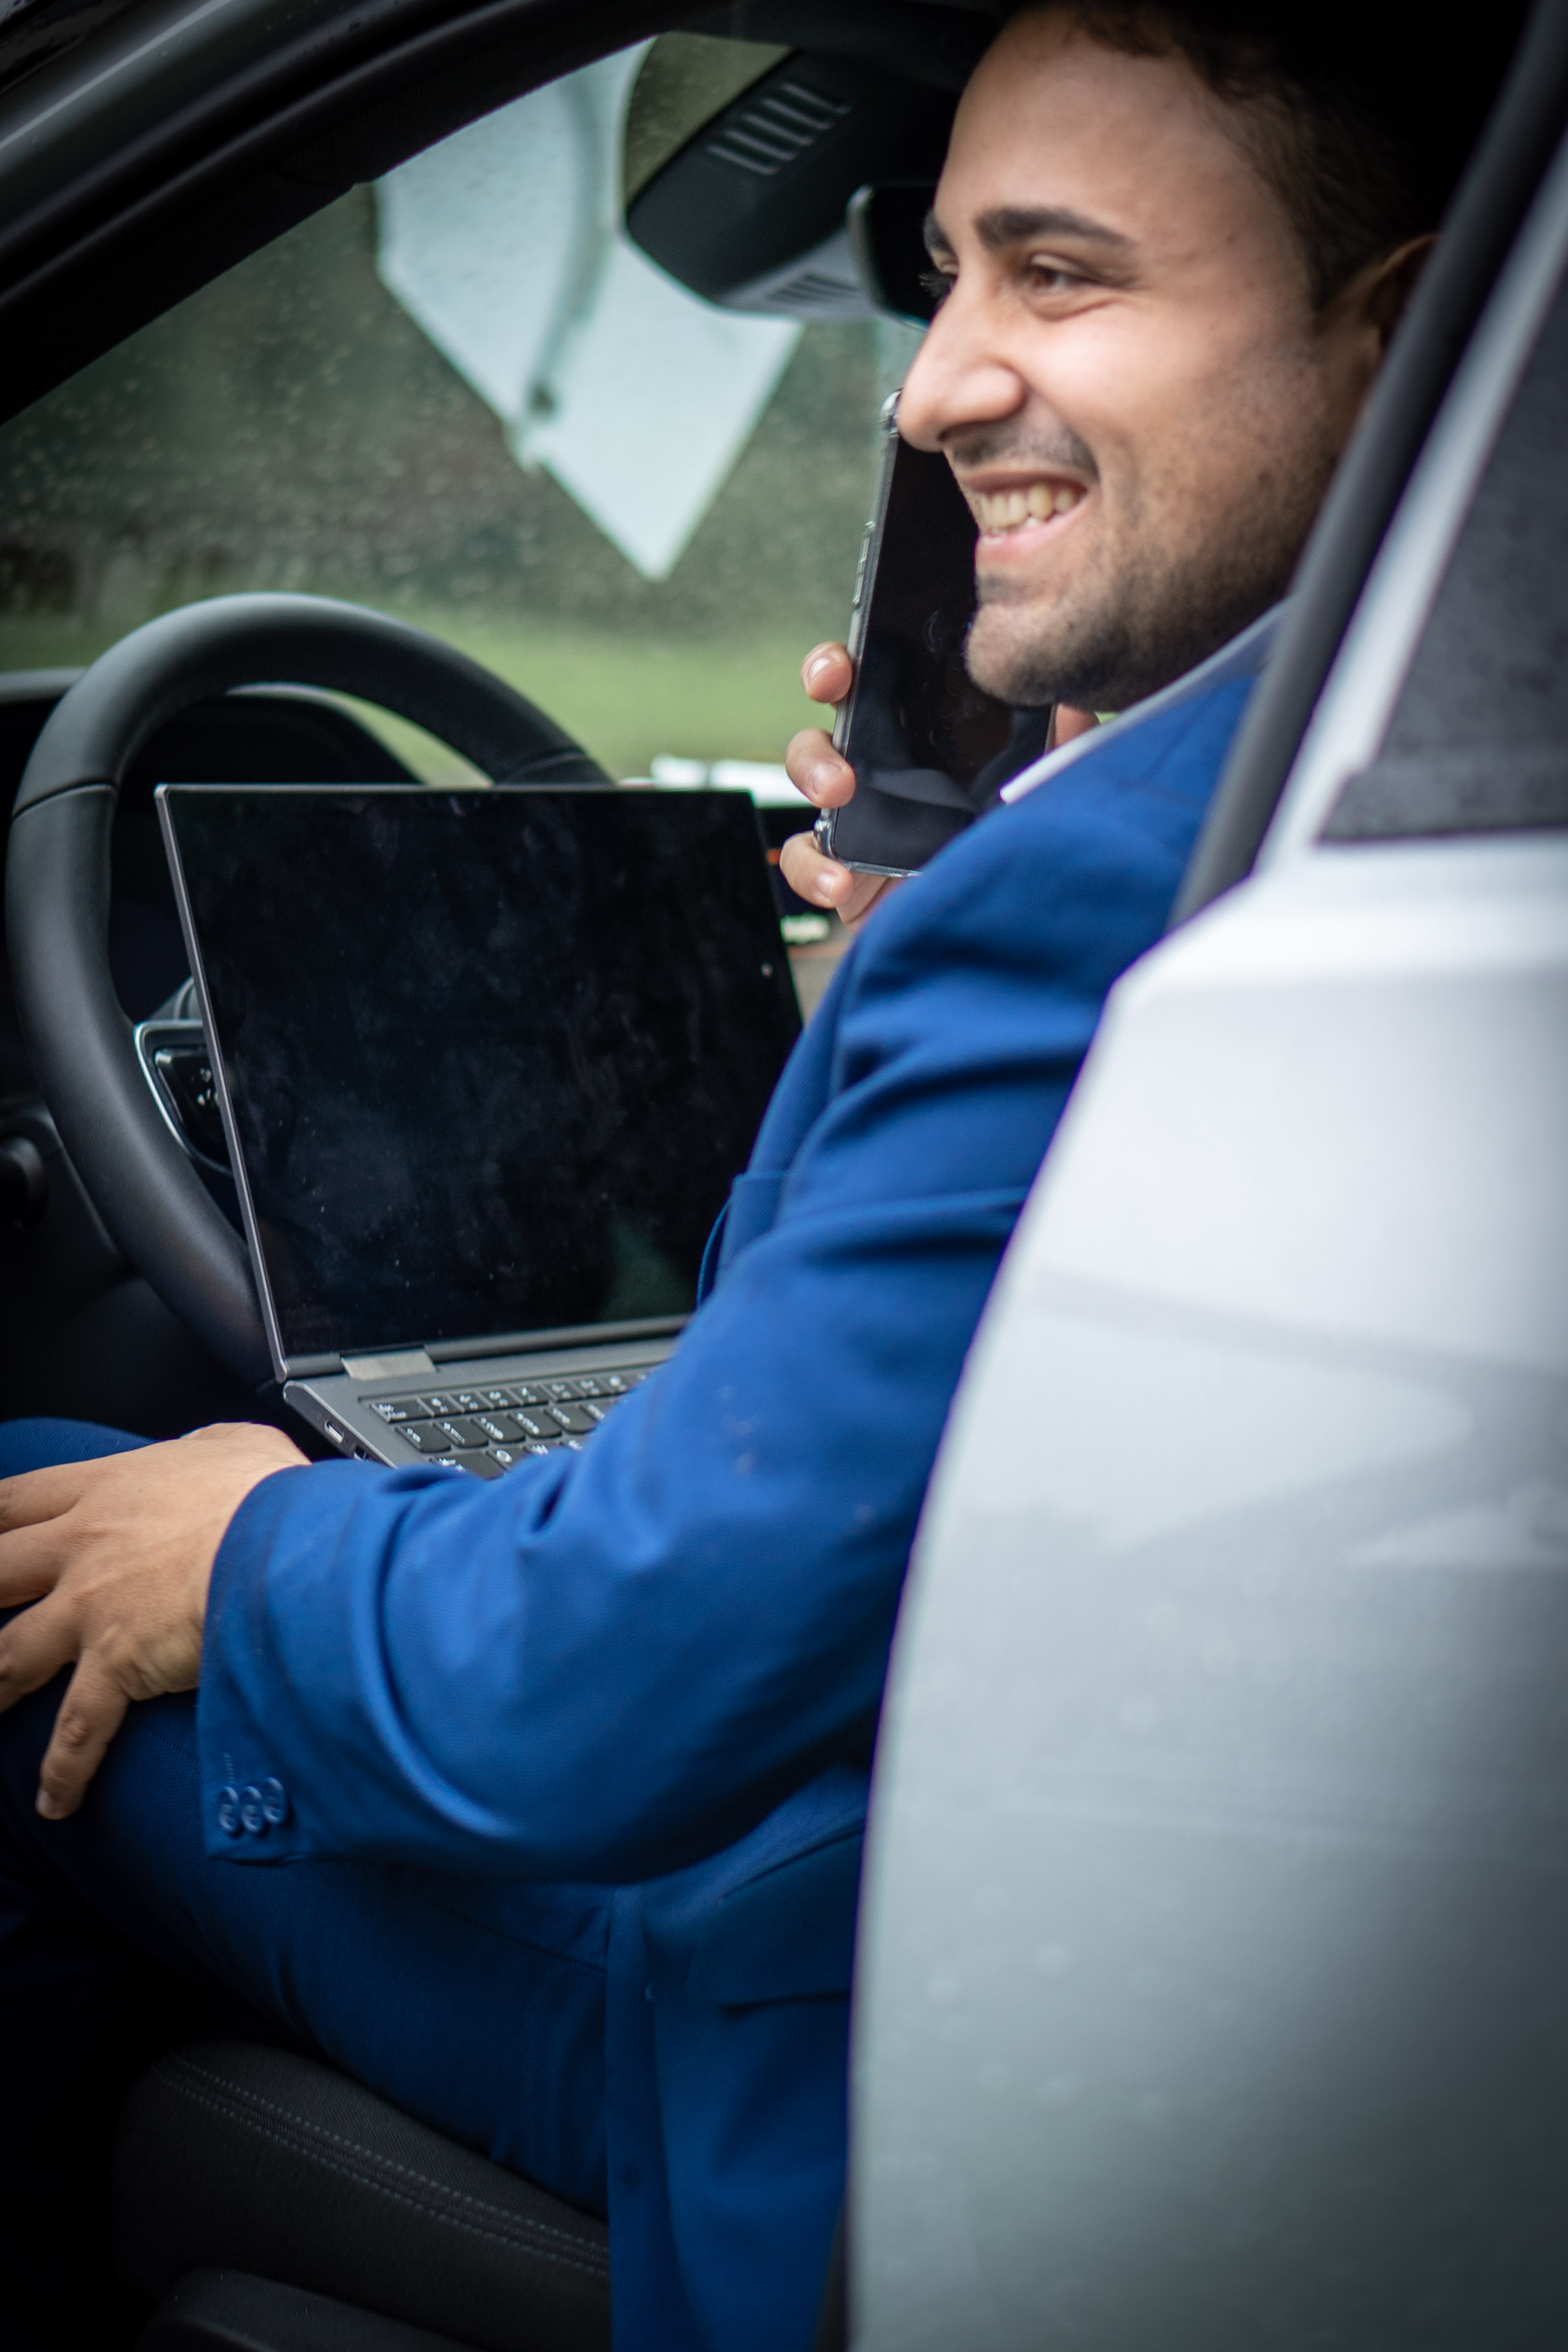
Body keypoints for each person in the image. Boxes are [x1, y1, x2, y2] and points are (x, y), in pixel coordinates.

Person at [0, 7, 1524, 2349]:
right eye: (943, 275)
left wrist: (250, 1543)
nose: (930, 391)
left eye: (1058, 275)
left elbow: (593, 1695)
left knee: (40, 1517)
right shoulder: (1304, 816)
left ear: (1397, 337)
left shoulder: (1102, 892)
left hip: (850, 2049)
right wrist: (885, 982)